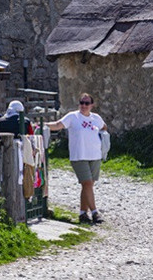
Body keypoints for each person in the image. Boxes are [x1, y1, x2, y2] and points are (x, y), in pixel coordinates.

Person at [46, 93, 107, 224]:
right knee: (87, 183)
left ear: (92, 105)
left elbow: (104, 127)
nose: (83, 106)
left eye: (86, 103)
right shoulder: (72, 117)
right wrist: (44, 125)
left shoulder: (96, 118)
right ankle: (95, 213)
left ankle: (83, 213)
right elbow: (58, 125)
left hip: (95, 155)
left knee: (88, 185)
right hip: (79, 155)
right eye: (81, 103)